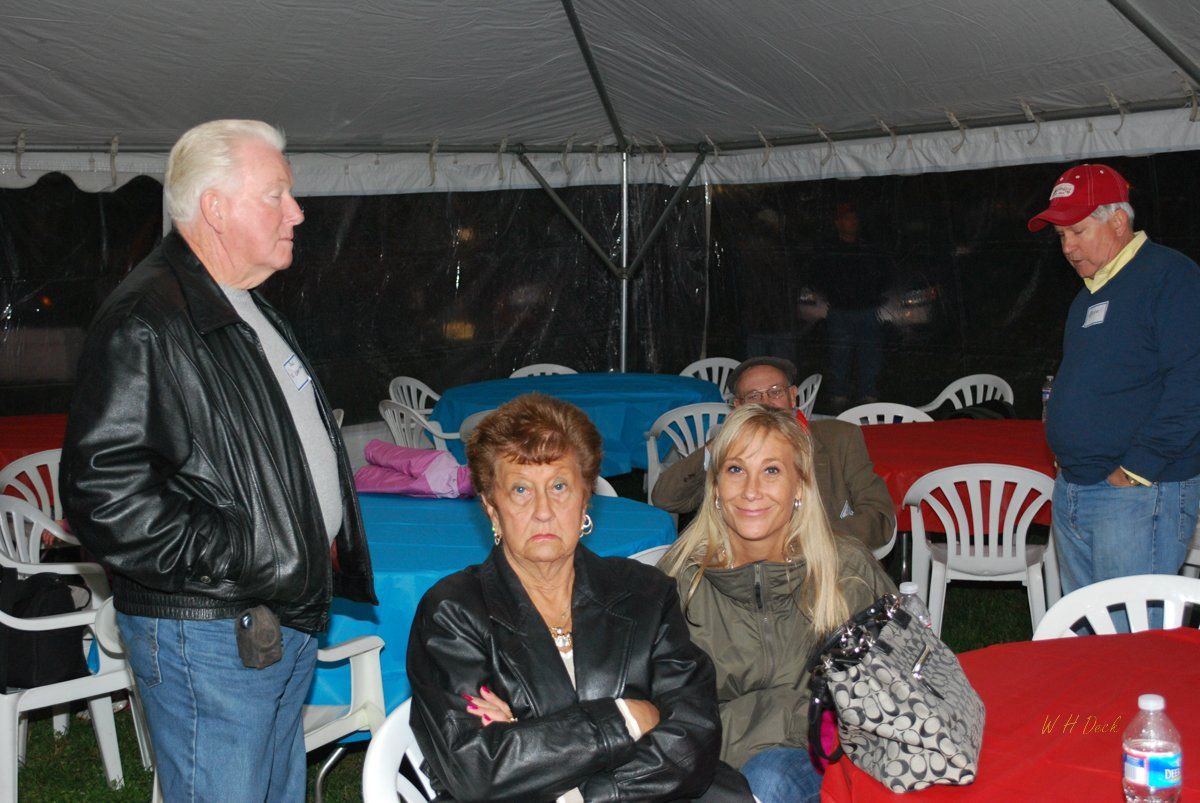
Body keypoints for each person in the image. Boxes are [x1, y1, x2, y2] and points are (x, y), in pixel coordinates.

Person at [60, 120, 376, 801]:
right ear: (215, 208)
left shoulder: (238, 303)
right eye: (276, 195)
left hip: (267, 616)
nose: (297, 212)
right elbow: (102, 494)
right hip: (210, 631)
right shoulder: (147, 318)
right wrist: (246, 554)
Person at [406, 394, 752, 801]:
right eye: (520, 489)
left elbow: (693, 736)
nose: (543, 510)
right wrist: (626, 717)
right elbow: (478, 769)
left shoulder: (645, 593)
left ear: (585, 498)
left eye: (559, 486)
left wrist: (575, 782)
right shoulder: (453, 613)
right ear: (492, 508)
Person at [660, 404, 895, 803]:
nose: (751, 490)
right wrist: (781, 715)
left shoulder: (846, 571)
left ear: (799, 487)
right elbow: (666, 716)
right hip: (711, 761)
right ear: (715, 487)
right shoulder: (681, 581)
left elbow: (894, 689)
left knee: (767, 779)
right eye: (736, 469)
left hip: (827, 755)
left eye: (771, 470)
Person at [1028, 163, 1200, 594]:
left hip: (1136, 494)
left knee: (1131, 629)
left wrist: (1135, 470)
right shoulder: (1091, 293)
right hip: (1077, 487)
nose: (1068, 247)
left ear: (1118, 221)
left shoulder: (1170, 277)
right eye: (1061, 235)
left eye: (1077, 231)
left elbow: (1192, 383)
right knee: (1088, 626)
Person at [652, 356, 896, 552]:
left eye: (775, 392)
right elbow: (666, 498)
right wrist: (715, 448)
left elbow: (879, 516)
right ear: (738, 407)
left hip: (825, 561)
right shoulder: (731, 451)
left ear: (793, 396)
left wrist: (812, 542)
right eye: (754, 396)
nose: (766, 402)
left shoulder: (839, 437)